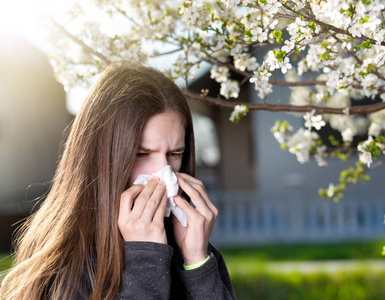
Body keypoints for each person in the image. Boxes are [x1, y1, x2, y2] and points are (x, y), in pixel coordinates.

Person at [0, 62, 236, 300]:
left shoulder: (189, 247)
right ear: (100, 156)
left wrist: (197, 264)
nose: (163, 171)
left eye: (175, 154)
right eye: (141, 154)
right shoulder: (62, 264)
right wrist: (146, 258)